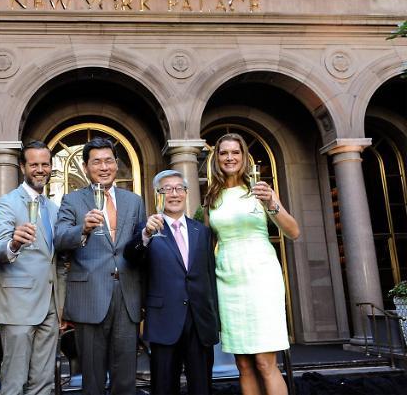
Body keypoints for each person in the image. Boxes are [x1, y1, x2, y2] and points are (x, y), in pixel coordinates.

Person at [204, 133, 300, 395]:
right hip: (227, 279)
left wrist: (272, 203)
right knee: (243, 364)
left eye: (235, 152)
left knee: (264, 361)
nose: (230, 157)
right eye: (224, 153)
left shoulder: (260, 190)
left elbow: (293, 231)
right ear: (217, 158)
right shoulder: (212, 196)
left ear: (244, 157)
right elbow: (204, 241)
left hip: (260, 277)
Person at [54, 137, 145, 395]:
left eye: (108, 161)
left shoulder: (134, 201)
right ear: (85, 167)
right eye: (97, 162)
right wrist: (81, 228)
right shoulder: (72, 201)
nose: (103, 167)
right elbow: (59, 240)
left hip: (127, 294)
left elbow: (140, 248)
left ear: (116, 164)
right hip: (90, 296)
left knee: (126, 376)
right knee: (91, 379)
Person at [125, 169, 219, 395]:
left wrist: (215, 318)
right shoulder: (146, 229)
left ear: (186, 193)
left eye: (179, 188)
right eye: (167, 189)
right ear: (158, 194)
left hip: (199, 322)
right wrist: (146, 235)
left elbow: (209, 276)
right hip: (164, 320)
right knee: (164, 387)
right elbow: (131, 257)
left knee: (202, 387)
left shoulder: (202, 231)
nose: (174, 194)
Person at [0, 140, 64, 395]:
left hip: (51, 308)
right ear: (23, 166)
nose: (40, 169)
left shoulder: (54, 209)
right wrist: (13, 243)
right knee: (14, 382)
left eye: (45, 164)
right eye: (34, 164)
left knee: (44, 383)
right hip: (18, 307)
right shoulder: (7, 203)